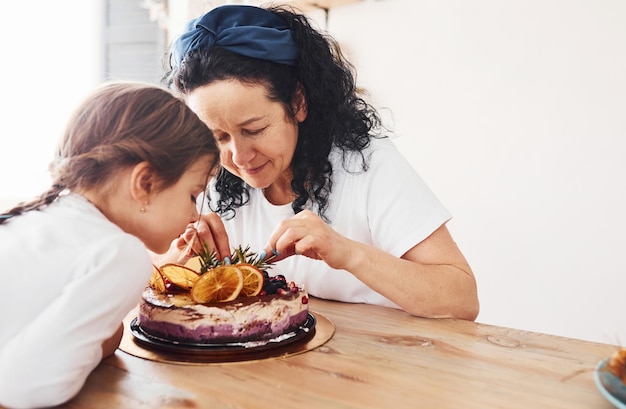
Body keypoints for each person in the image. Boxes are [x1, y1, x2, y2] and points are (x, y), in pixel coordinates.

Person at [161, 4, 479, 321]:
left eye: (254, 129)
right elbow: (159, 295)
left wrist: (348, 253)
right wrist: (192, 264)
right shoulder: (210, 177)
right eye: (219, 137)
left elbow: (463, 300)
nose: (240, 157)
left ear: (298, 102)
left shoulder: (367, 163)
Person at [0, 82, 219, 409]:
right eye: (193, 195)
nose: (193, 214)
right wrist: (102, 342)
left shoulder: (34, 218)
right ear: (144, 183)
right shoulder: (119, 254)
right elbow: (25, 388)